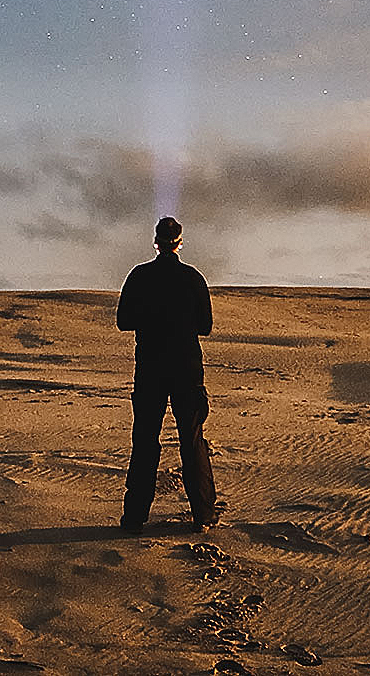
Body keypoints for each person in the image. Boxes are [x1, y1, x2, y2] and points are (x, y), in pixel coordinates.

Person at [116, 215, 218, 532]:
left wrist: (151, 319)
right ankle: (203, 514)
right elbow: (206, 326)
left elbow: (123, 321)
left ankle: (134, 518)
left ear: (156, 243)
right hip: (186, 368)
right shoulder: (193, 278)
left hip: (150, 369)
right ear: (179, 243)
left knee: (145, 441)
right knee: (191, 440)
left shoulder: (140, 276)